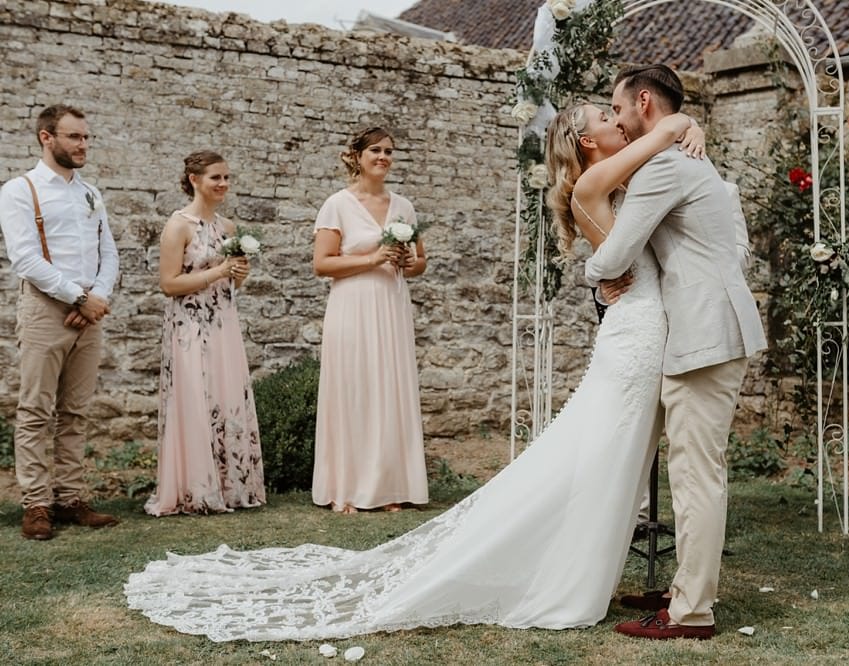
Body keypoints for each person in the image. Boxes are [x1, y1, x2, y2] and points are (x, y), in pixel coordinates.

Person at [124, 109, 702, 641]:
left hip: (629, 328)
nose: (618, 119)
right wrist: (677, 122)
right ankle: (559, 569)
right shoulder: (598, 181)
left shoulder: (412, 204)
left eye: (390, 151)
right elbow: (619, 241)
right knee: (600, 454)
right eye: (606, 115)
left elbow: (620, 235)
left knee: (606, 455)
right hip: (623, 331)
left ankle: (576, 562)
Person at [585, 64, 767, 641]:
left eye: (617, 110)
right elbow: (733, 245)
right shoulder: (690, 156)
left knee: (696, 476)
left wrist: (594, 276)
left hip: (704, 334)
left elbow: (615, 257)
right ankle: (688, 590)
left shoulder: (663, 165)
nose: (615, 120)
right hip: (711, 326)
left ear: (643, 103)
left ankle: (691, 612)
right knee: (694, 471)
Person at [0, 104, 120, 540]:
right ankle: (35, 503)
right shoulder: (20, 190)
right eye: (74, 137)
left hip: (90, 311)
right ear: (46, 138)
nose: (83, 144)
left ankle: (70, 498)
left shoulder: (90, 192)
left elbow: (109, 250)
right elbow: (25, 258)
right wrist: (79, 297)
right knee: (35, 410)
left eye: (86, 137)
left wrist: (99, 297)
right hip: (46, 308)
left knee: (75, 410)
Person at [311, 127, 429, 514]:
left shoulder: (405, 206)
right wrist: (372, 259)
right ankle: (346, 488)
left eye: (389, 151)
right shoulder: (337, 205)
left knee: (388, 390)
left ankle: (388, 487)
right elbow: (322, 264)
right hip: (352, 306)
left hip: (392, 307)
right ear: (357, 156)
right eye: (375, 150)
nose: (383, 157)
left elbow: (419, 261)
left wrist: (412, 263)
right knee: (355, 390)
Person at [143, 150, 265, 516]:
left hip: (223, 322)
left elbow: (231, 280)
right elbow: (168, 283)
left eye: (227, 177)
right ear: (194, 180)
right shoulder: (177, 225)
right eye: (216, 177)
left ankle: (230, 486)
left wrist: (238, 276)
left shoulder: (227, 229)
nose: (223, 184)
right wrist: (218, 271)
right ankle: (195, 487)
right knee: (196, 399)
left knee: (225, 397)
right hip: (189, 325)